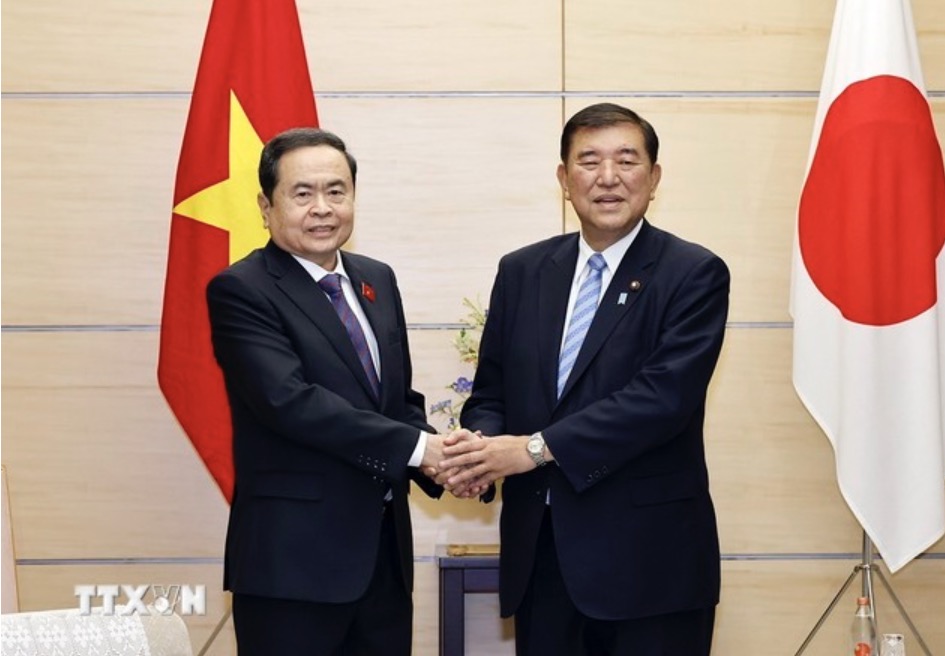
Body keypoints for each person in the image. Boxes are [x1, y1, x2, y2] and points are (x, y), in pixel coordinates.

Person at [440, 103, 730, 655]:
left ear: (654, 177)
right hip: (542, 557)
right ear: (563, 179)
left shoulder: (693, 273)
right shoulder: (523, 270)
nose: (608, 178)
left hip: (650, 566)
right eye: (589, 161)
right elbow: (494, 388)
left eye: (626, 160)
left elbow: (660, 399)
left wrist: (529, 450)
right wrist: (479, 450)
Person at [206, 127, 473, 656]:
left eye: (337, 190)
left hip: (382, 564)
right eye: (302, 194)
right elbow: (291, 402)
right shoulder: (242, 289)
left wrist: (450, 459)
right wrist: (422, 450)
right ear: (266, 205)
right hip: (293, 570)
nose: (323, 208)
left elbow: (395, 403)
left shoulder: (377, 279)